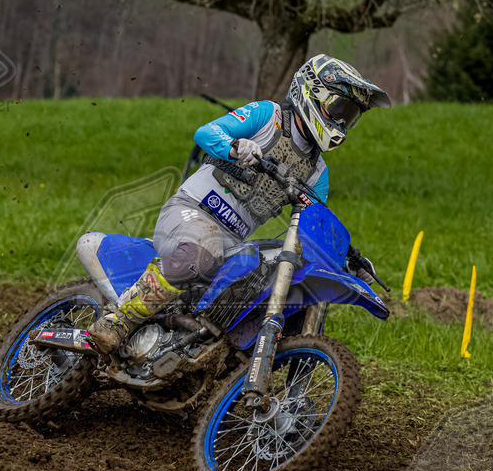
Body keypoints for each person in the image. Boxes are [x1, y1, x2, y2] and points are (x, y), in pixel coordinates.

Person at [86, 54, 392, 354]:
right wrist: (234, 147)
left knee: (280, 289)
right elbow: (206, 133)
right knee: (202, 251)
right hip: (190, 210)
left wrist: (347, 261)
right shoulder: (268, 116)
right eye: (339, 109)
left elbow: (318, 225)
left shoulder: (317, 172)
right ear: (313, 93)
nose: (341, 122)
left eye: (350, 116)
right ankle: (118, 321)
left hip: (230, 242)